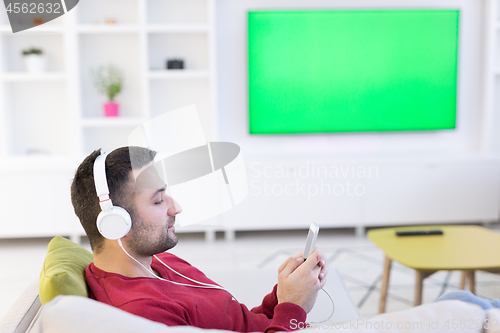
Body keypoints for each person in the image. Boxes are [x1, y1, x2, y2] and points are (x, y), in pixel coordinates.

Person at [70, 147, 329, 333]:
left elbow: (238, 323)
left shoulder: (161, 261)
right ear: (116, 223)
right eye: (158, 200)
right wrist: (294, 308)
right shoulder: (143, 314)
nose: (177, 207)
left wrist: (283, 296)